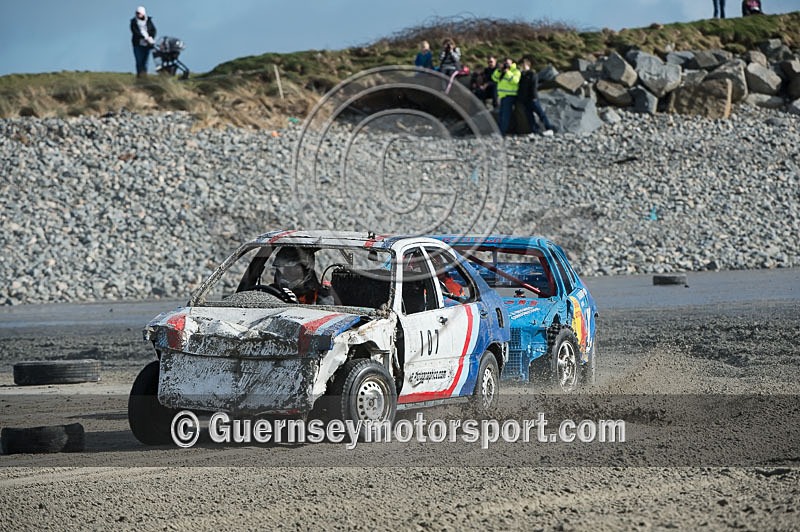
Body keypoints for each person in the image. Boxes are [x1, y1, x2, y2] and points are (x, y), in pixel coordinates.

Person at [518, 58, 554, 136]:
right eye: (522, 65)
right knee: (529, 116)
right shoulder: (522, 75)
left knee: (540, 113)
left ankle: (549, 128)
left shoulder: (532, 74)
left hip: (532, 98)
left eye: (524, 65)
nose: (522, 66)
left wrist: (534, 97)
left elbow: (534, 86)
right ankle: (534, 130)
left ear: (528, 65)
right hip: (525, 99)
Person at [491, 57, 521, 136]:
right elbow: (494, 78)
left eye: (508, 63)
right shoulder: (502, 71)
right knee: (501, 114)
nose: (506, 65)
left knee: (505, 115)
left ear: (512, 63)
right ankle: (499, 130)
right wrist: (499, 70)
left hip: (510, 95)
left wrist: (508, 72)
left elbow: (515, 81)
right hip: (502, 96)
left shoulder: (516, 71)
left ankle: (502, 132)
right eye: (505, 63)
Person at [130, 6, 156, 78]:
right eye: (137, 13)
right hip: (138, 45)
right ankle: (139, 76)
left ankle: (144, 76)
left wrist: (150, 38)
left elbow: (153, 30)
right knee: (139, 61)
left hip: (147, 45)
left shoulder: (148, 21)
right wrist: (143, 38)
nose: (138, 15)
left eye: (139, 13)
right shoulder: (134, 22)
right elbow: (135, 32)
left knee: (145, 62)